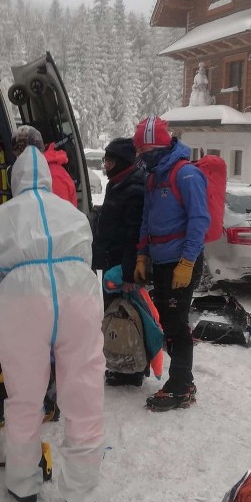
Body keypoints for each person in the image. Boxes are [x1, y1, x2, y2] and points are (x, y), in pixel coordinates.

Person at [0, 145, 105, 502]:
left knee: (24, 398)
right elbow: (87, 261)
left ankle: (23, 486)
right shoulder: (74, 214)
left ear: (14, 181)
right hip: (77, 292)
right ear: (48, 180)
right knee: (83, 397)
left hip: (22, 297)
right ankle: (79, 497)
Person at [133, 116, 210, 411]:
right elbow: (146, 219)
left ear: (157, 149)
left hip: (181, 261)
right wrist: (142, 254)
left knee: (177, 325)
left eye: (144, 152)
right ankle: (180, 381)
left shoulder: (185, 174)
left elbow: (199, 219)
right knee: (167, 322)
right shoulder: (154, 177)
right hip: (162, 261)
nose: (141, 158)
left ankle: (181, 386)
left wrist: (188, 261)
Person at [92, 136, 147, 386]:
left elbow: (133, 236)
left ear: (122, 161)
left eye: (110, 160)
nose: (105, 164)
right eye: (105, 159)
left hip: (123, 266)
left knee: (127, 316)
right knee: (116, 314)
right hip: (113, 261)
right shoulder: (118, 183)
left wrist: (127, 276)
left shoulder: (134, 187)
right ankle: (120, 363)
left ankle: (132, 369)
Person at [11, 125, 77, 206]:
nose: (18, 159)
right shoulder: (37, 172)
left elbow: (59, 214)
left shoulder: (53, 176)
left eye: (19, 153)